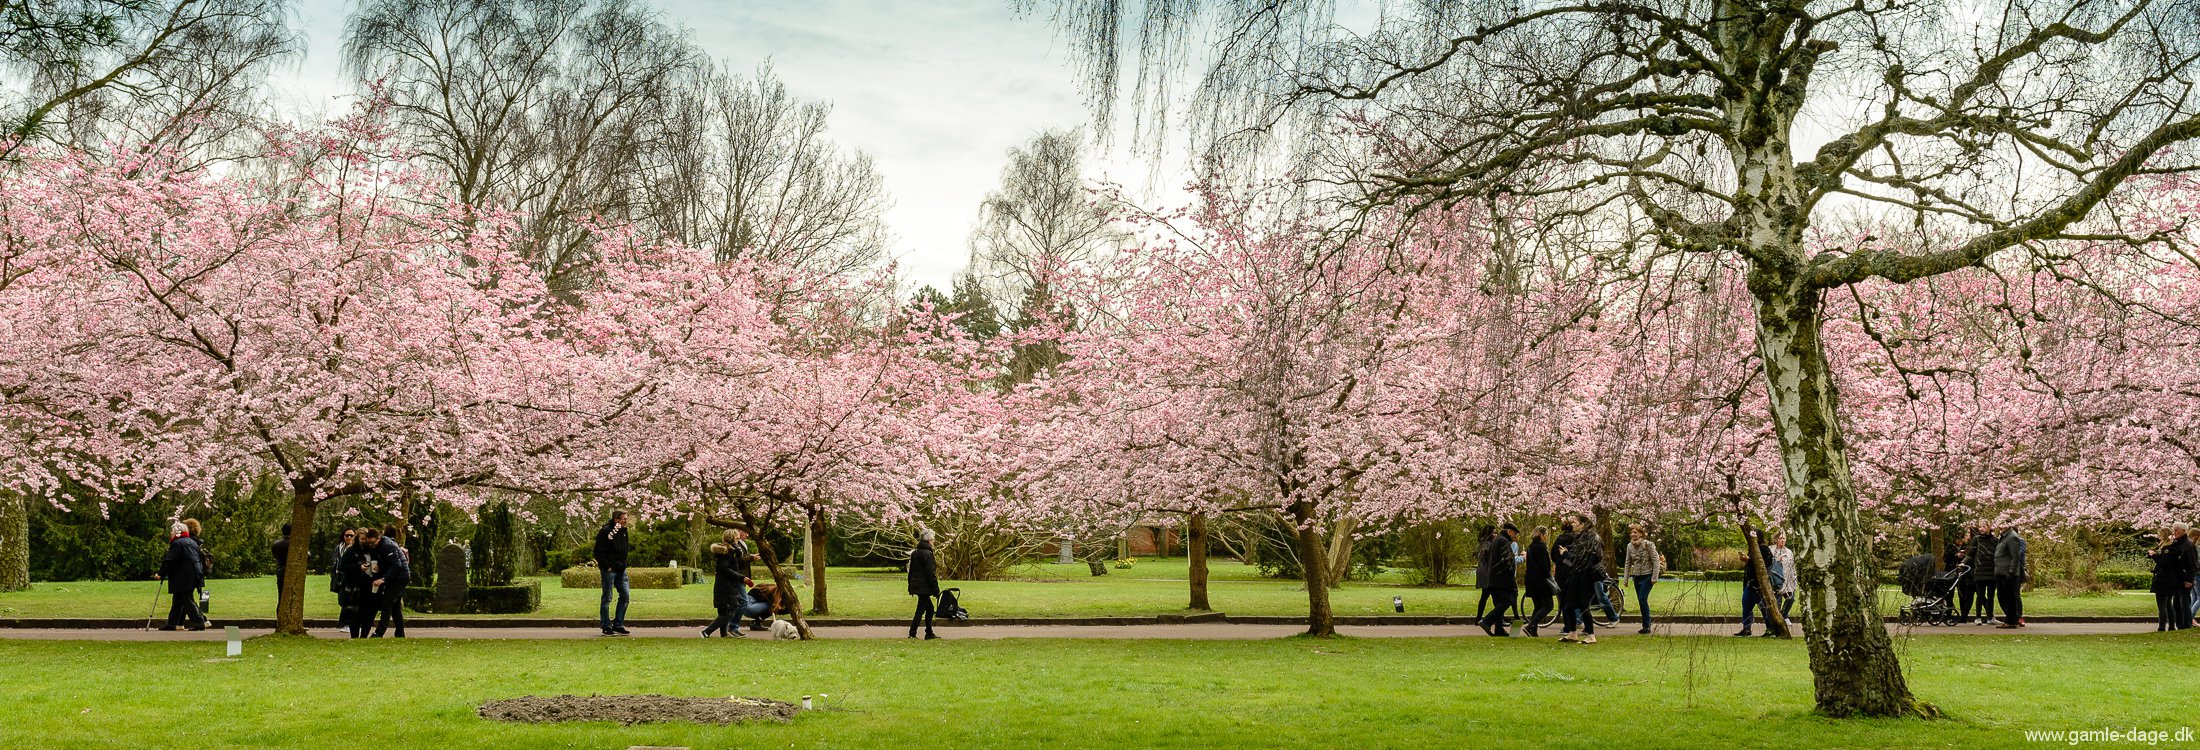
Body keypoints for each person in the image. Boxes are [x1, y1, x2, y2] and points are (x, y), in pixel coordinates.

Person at [1556, 514, 1604, 644]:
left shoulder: (1590, 538)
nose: (1572, 524)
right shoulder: (1581, 537)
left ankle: (1591, 635)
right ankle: (1572, 633)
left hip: (1584, 576)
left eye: (1575, 522)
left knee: (1583, 604)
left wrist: (1566, 553)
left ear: (1582, 524)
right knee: (1567, 603)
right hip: (1576, 574)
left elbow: (1583, 559)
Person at [154, 521, 208, 631]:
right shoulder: (191, 542)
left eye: (172, 531)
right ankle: (172, 623)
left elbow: (169, 560)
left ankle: (199, 622)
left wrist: (160, 573)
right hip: (192, 574)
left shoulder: (177, 543)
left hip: (183, 576)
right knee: (178, 599)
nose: (171, 533)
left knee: (186, 599)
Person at [1735, 533, 1782, 637]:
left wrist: (1748, 560)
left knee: (1764, 607)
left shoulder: (1764, 550)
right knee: (1746, 605)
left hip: (1759, 585)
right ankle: (1746, 628)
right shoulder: (1752, 549)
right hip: (1750, 583)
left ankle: (1770, 629)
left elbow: (1764, 565)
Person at [1478, 523, 1521, 637]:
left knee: (1499, 603)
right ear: (1509, 532)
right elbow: (1506, 560)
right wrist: (1510, 572)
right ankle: (1487, 621)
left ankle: (1499, 629)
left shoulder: (1496, 540)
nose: (1515, 536)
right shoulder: (1503, 541)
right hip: (1502, 579)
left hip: (1493, 578)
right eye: (1515, 534)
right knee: (1508, 600)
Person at [594, 510, 632, 636]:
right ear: (616, 519)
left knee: (625, 596)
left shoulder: (623, 531)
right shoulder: (606, 531)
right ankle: (605, 625)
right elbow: (598, 551)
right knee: (607, 598)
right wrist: (607, 566)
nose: (626, 521)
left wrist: (624, 563)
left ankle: (618, 624)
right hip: (610, 569)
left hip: (621, 569)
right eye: (624, 519)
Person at [339, 529, 382, 638]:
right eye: (362, 539)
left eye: (366, 539)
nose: (365, 542)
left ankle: (364, 636)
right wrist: (358, 568)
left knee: (369, 614)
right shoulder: (351, 551)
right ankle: (354, 636)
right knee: (354, 615)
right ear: (357, 539)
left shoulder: (373, 551)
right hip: (355, 588)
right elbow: (342, 566)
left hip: (369, 586)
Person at [701, 538, 746, 638]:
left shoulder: (725, 554)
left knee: (724, 611)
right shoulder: (727, 554)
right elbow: (726, 570)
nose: (738, 541)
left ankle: (724, 634)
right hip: (727, 586)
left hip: (723, 586)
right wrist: (741, 577)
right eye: (737, 538)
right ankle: (706, 631)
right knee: (728, 613)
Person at [368, 528, 409, 638]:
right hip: (396, 575)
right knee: (395, 606)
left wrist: (383, 579)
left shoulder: (387, 546)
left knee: (387, 602)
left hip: (400, 576)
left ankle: (380, 632)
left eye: (373, 542)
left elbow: (396, 565)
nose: (371, 545)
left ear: (378, 538)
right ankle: (400, 633)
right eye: (369, 542)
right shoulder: (379, 546)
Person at [1623, 524, 1662, 634]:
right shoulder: (1629, 546)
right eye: (1632, 532)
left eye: (1635, 532)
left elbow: (1656, 560)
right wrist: (1626, 579)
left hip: (1647, 575)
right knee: (1641, 601)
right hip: (1636, 576)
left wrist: (1655, 577)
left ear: (1641, 533)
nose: (1633, 534)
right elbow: (1628, 562)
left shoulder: (1648, 544)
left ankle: (1646, 625)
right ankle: (1645, 625)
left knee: (1642, 599)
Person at [908, 528, 940, 640]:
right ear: (929, 541)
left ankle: (929, 632)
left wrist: (910, 586)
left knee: (929, 609)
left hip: (917, 584)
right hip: (924, 586)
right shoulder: (927, 554)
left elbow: (911, 571)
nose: (934, 541)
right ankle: (913, 633)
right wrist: (936, 589)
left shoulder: (915, 553)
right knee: (921, 609)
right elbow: (930, 573)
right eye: (933, 540)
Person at [1522, 526, 1555, 638]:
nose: (1547, 537)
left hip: (1531, 580)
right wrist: (1549, 576)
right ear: (1541, 535)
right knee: (1548, 605)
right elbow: (1543, 566)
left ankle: (1533, 630)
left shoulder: (1530, 547)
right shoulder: (1541, 548)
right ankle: (1530, 625)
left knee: (1538, 605)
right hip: (1540, 581)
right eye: (1546, 534)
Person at [1994, 523, 2028, 628]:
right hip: (2001, 571)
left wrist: (2011, 572)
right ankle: (2011, 619)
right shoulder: (2004, 536)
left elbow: (2015, 556)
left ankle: (2011, 620)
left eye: (2003, 523)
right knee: (2003, 596)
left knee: (2009, 597)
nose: (2000, 526)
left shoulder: (2012, 537)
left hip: (2007, 573)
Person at [1967, 523, 1999, 624]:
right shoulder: (1976, 539)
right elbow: (1970, 554)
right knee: (1980, 595)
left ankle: (1990, 617)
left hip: (1991, 571)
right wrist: (1963, 563)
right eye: (1980, 526)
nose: (1981, 528)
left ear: (1989, 527)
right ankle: (1978, 617)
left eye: (1984, 526)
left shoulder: (1995, 540)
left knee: (1991, 596)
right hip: (1980, 571)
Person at [1771, 532, 1798, 621]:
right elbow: (1767, 564)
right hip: (1776, 580)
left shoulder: (1789, 552)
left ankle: (1784, 615)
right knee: (1777, 602)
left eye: (1783, 538)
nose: (1782, 540)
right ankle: (1778, 621)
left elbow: (1792, 566)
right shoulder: (1771, 550)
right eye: (1780, 538)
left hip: (1788, 581)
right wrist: (1776, 560)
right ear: (1775, 539)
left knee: (1791, 599)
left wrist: (1794, 577)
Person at [271, 523, 292, 598]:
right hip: (292, 571)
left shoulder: (276, 544)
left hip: (280, 571)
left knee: (281, 595)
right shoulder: (294, 545)